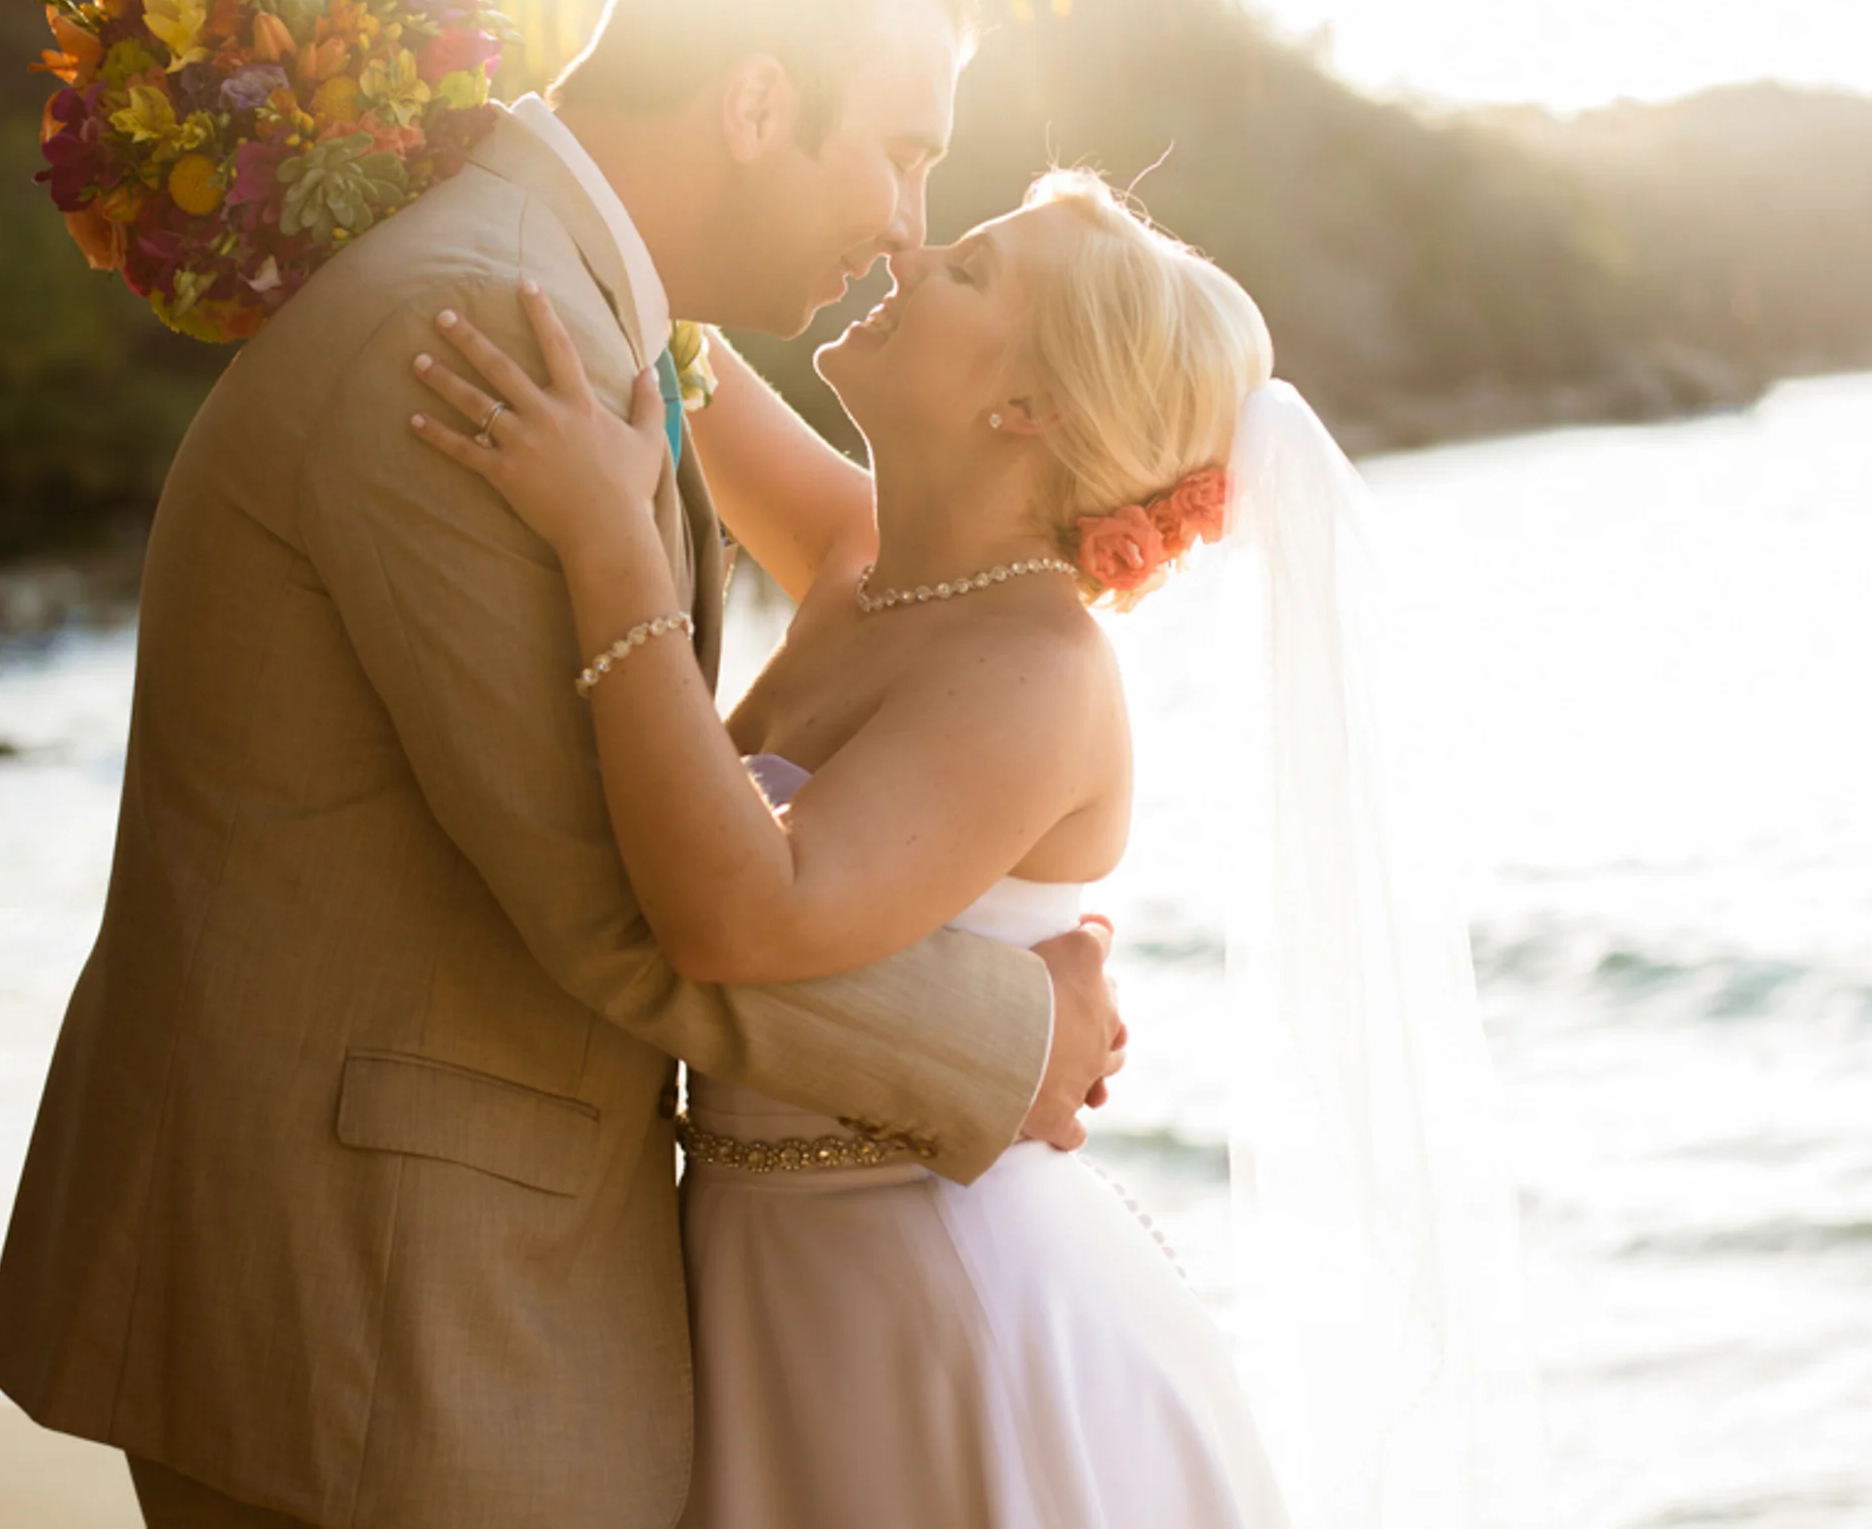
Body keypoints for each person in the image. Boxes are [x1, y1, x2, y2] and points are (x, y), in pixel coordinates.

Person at [0, 0, 1127, 1529]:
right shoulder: (480, 326)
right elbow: (618, 900)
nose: (906, 223)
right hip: (377, 1301)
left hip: (402, 1264)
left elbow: (866, 563)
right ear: (756, 103)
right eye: (900, 152)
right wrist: (1014, 1035)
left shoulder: (578, 311)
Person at [407, 169, 1294, 1525]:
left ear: (1030, 406)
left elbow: (745, 917)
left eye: (969, 270)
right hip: (759, 1269)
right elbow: (666, 344)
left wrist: (609, 537)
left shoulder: (1038, 668)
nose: (910, 253)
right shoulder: (862, 555)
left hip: (940, 1309)